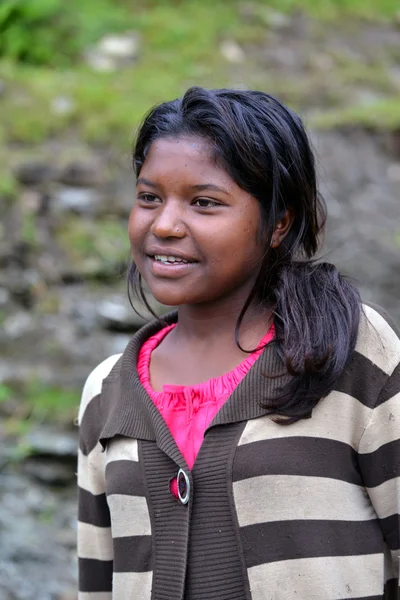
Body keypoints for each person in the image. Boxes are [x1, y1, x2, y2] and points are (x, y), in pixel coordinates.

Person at [77, 87, 400, 600]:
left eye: (204, 203)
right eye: (148, 197)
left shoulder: (353, 353)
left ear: (279, 222)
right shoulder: (106, 393)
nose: (163, 224)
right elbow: (96, 584)